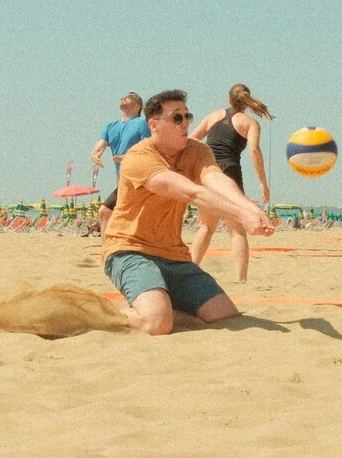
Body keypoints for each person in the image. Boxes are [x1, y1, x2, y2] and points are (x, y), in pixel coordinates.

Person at [104, 90, 273, 335]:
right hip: (131, 251)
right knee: (157, 324)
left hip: (175, 256)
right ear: (154, 124)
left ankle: (160, 302)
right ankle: (105, 313)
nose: (185, 123)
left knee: (224, 315)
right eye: (177, 118)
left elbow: (216, 179)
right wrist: (240, 214)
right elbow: (192, 192)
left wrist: (249, 207)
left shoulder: (196, 150)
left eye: (187, 116)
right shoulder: (139, 157)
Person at [187, 84, 272, 281]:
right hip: (229, 172)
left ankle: (191, 272)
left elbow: (191, 139)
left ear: (228, 99)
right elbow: (254, 151)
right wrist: (262, 182)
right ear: (247, 102)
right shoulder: (249, 123)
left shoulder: (213, 115)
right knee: (236, 229)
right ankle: (241, 279)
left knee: (207, 226)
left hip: (206, 171)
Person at [90, 91, 150, 231]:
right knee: (105, 213)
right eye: (123, 96)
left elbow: (148, 148)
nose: (124, 97)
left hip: (140, 181)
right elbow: (100, 146)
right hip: (123, 182)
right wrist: (95, 155)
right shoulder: (111, 126)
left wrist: (129, 155)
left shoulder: (141, 124)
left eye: (129, 97)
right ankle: (107, 252)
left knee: (134, 217)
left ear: (137, 107)